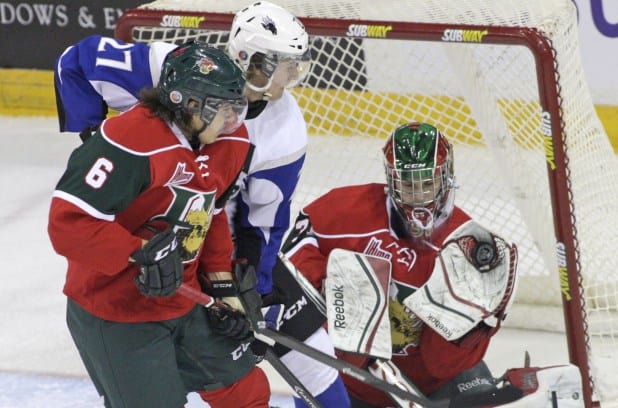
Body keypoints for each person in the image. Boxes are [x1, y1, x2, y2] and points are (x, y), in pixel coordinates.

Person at [48, 41, 271, 407]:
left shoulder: (228, 140)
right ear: (190, 104)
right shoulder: (128, 143)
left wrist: (223, 289)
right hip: (117, 311)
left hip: (185, 302)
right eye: (224, 109)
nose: (233, 120)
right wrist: (138, 253)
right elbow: (67, 224)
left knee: (247, 393)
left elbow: (209, 211)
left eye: (236, 108)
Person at [272, 122, 523, 407]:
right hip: (345, 381)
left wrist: (478, 326)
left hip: (425, 389)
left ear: (447, 176)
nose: (418, 196)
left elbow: (439, 363)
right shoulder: (346, 211)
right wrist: (334, 312)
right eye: (407, 184)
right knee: (310, 370)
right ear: (391, 178)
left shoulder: (466, 248)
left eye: (427, 183)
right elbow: (295, 252)